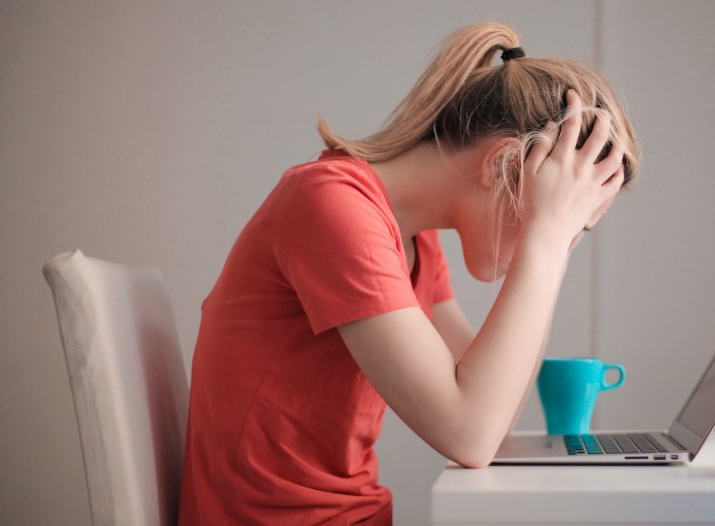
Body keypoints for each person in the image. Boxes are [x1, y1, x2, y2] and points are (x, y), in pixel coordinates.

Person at [178, 21, 640, 525]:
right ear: (502, 165)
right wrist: (545, 243)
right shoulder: (332, 207)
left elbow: (495, 404)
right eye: (561, 211)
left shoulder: (414, 240)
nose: (558, 235)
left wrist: (553, 244)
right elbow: (471, 433)